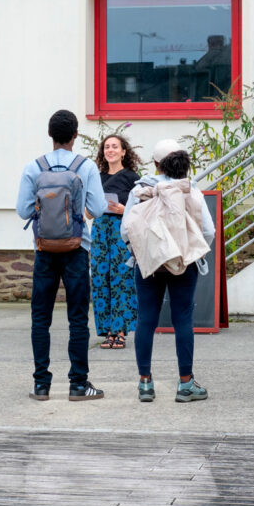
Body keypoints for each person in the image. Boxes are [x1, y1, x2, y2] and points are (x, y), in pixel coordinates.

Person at [15, 109, 108, 402]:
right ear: (75, 135)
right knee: (78, 317)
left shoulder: (34, 167)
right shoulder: (86, 166)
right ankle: (78, 384)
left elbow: (23, 210)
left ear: (50, 135)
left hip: (44, 249)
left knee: (40, 318)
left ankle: (41, 384)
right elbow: (100, 207)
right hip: (77, 249)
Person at [121, 139, 215, 403]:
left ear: (155, 164)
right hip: (183, 263)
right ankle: (186, 384)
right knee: (183, 319)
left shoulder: (140, 190)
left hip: (148, 265)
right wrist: (192, 250)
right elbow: (208, 230)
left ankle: (145, 384)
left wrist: (140, 252)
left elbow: (126, 229)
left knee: (146, 319)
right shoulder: (191, 190)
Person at [91, 134, 141, 349]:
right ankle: (107, 330)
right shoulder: (96, 177)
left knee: (122, 278)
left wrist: (123, 209)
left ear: (123, 151)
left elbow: (140, 209)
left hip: (121, 230)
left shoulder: (132, 177)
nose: (110, 150)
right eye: (106, 147)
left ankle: (120, 330)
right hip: (100, 230)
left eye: (114, 147)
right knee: (101, 279)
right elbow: (87, 210)